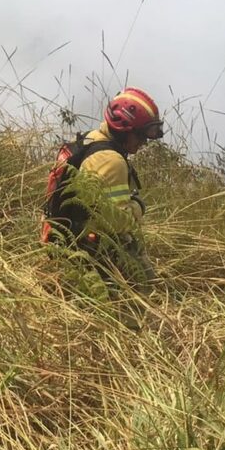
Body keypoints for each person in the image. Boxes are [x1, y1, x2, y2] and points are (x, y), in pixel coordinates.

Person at [43, 87, 164, 295]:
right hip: (87, 252)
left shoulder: (92, 139)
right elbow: (114, 222)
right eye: (140, 136)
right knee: (146, 292)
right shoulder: (112, 161)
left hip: (62, 238)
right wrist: (137, 206)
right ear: (124, 130)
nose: (144, 143)